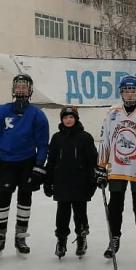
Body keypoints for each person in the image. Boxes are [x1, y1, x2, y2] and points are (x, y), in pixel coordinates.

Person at [0, 74, 49, 257]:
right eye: (18, 86)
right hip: (6, 162)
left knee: (24, 199)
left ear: (30, 91)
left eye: (24, 87)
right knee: (3, 199)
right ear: (13, 89)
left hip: (27, 162)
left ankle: (20, 237)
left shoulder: (37, 115)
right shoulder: (3, 111)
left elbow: (43, 143)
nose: (21, 89)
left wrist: (39, 165)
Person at [95, 75, 136, 260]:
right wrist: (101, 165)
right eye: (126, 90)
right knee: (115, 204)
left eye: (133, 90)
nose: (130, 94)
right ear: (121, 92)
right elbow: (105, 139)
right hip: (116, 167)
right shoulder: (112, 112)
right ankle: (114, 239)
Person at [44, 106, 98, 259]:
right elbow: (51, 161)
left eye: (71, 117)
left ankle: (82, 239)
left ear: (76, 119)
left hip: (80, 183)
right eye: (65, 117)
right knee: (62, 214)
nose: (68, 120)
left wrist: (93, 182)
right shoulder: (56, 138)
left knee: (80, 213)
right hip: (61, 183)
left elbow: (92, 161)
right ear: (61, 119)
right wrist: (48, 181)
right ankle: (61, 241)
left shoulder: (85, 137)